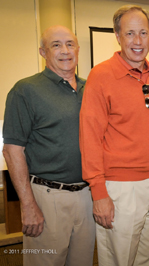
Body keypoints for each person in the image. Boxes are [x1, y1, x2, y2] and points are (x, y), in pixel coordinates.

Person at [79, 5, 149, 266]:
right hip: (120, 189)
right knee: (118, 261)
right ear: (117, 36)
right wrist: (99, 192)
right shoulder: (101, 75)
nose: (138, 41)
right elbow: (90, 137)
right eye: (130, 34)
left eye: (143, 33)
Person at [2, 25, 95, 266]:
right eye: (56, 45)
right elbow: (12, 152)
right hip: (47, 197)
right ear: (43, 52)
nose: (65, 51)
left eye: (70, 44)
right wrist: (28, 205)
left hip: (88, 197)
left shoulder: (91, 88)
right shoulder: (25, 90)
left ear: (78, 48)